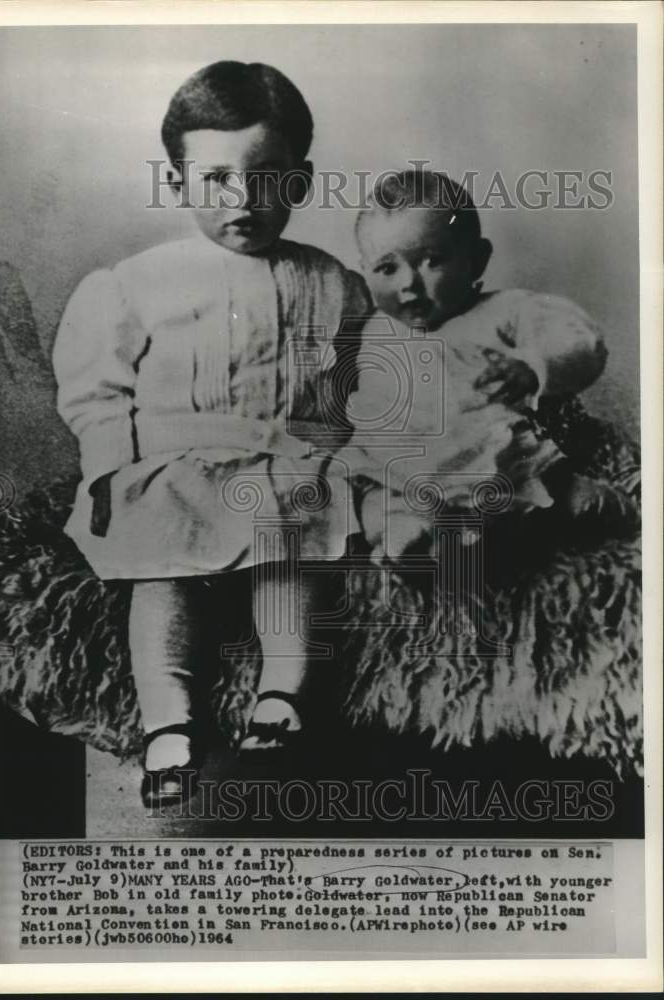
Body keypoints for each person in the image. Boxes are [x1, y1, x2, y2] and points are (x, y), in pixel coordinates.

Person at [52, 61, 371, 806]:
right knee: (161, 571)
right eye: (215, 180)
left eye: (265, 177)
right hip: (173, 465)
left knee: (286, 555)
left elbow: (349, 385)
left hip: (284, 460)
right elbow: (97, 387)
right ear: (176, 184)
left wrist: (334, 455)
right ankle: (168, 722)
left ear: (298, 180)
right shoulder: (136, 282)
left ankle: (280, 695)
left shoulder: (333, 282)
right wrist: (106, 473)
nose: (242, 201)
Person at [344, 169, 611, 560]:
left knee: (567, 501)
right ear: (364, 272)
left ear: (477, 260)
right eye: (387, 268)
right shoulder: (373, 329)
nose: (408, 284)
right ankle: (407, 538)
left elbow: (580, 341)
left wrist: (533, 368)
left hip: (496, 466)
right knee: (366, 499)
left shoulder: (502, 310)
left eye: (432, 261)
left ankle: (612, 508)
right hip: (403, 471)